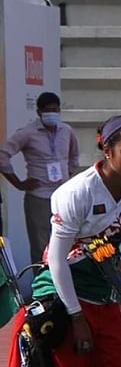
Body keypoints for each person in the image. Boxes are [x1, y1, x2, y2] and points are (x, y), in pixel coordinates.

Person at [21, 115, 121, 367]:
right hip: (65, 300)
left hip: (105, 296)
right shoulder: (76, 192)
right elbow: (57, 261)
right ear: (106, 151)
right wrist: (76, 317)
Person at [0, 92, 80, 263]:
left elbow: (74, 156)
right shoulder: (28, 133)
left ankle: (63, 285)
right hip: (39, 197)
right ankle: (43, 287)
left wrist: (68, 177)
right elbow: (3, 155)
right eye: (48, 110)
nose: (52, 113)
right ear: (39, 112)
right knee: (40, 246)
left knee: (68, 244)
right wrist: (18, 183)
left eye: (55, 110)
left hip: (63, 197)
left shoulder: (67, 131)